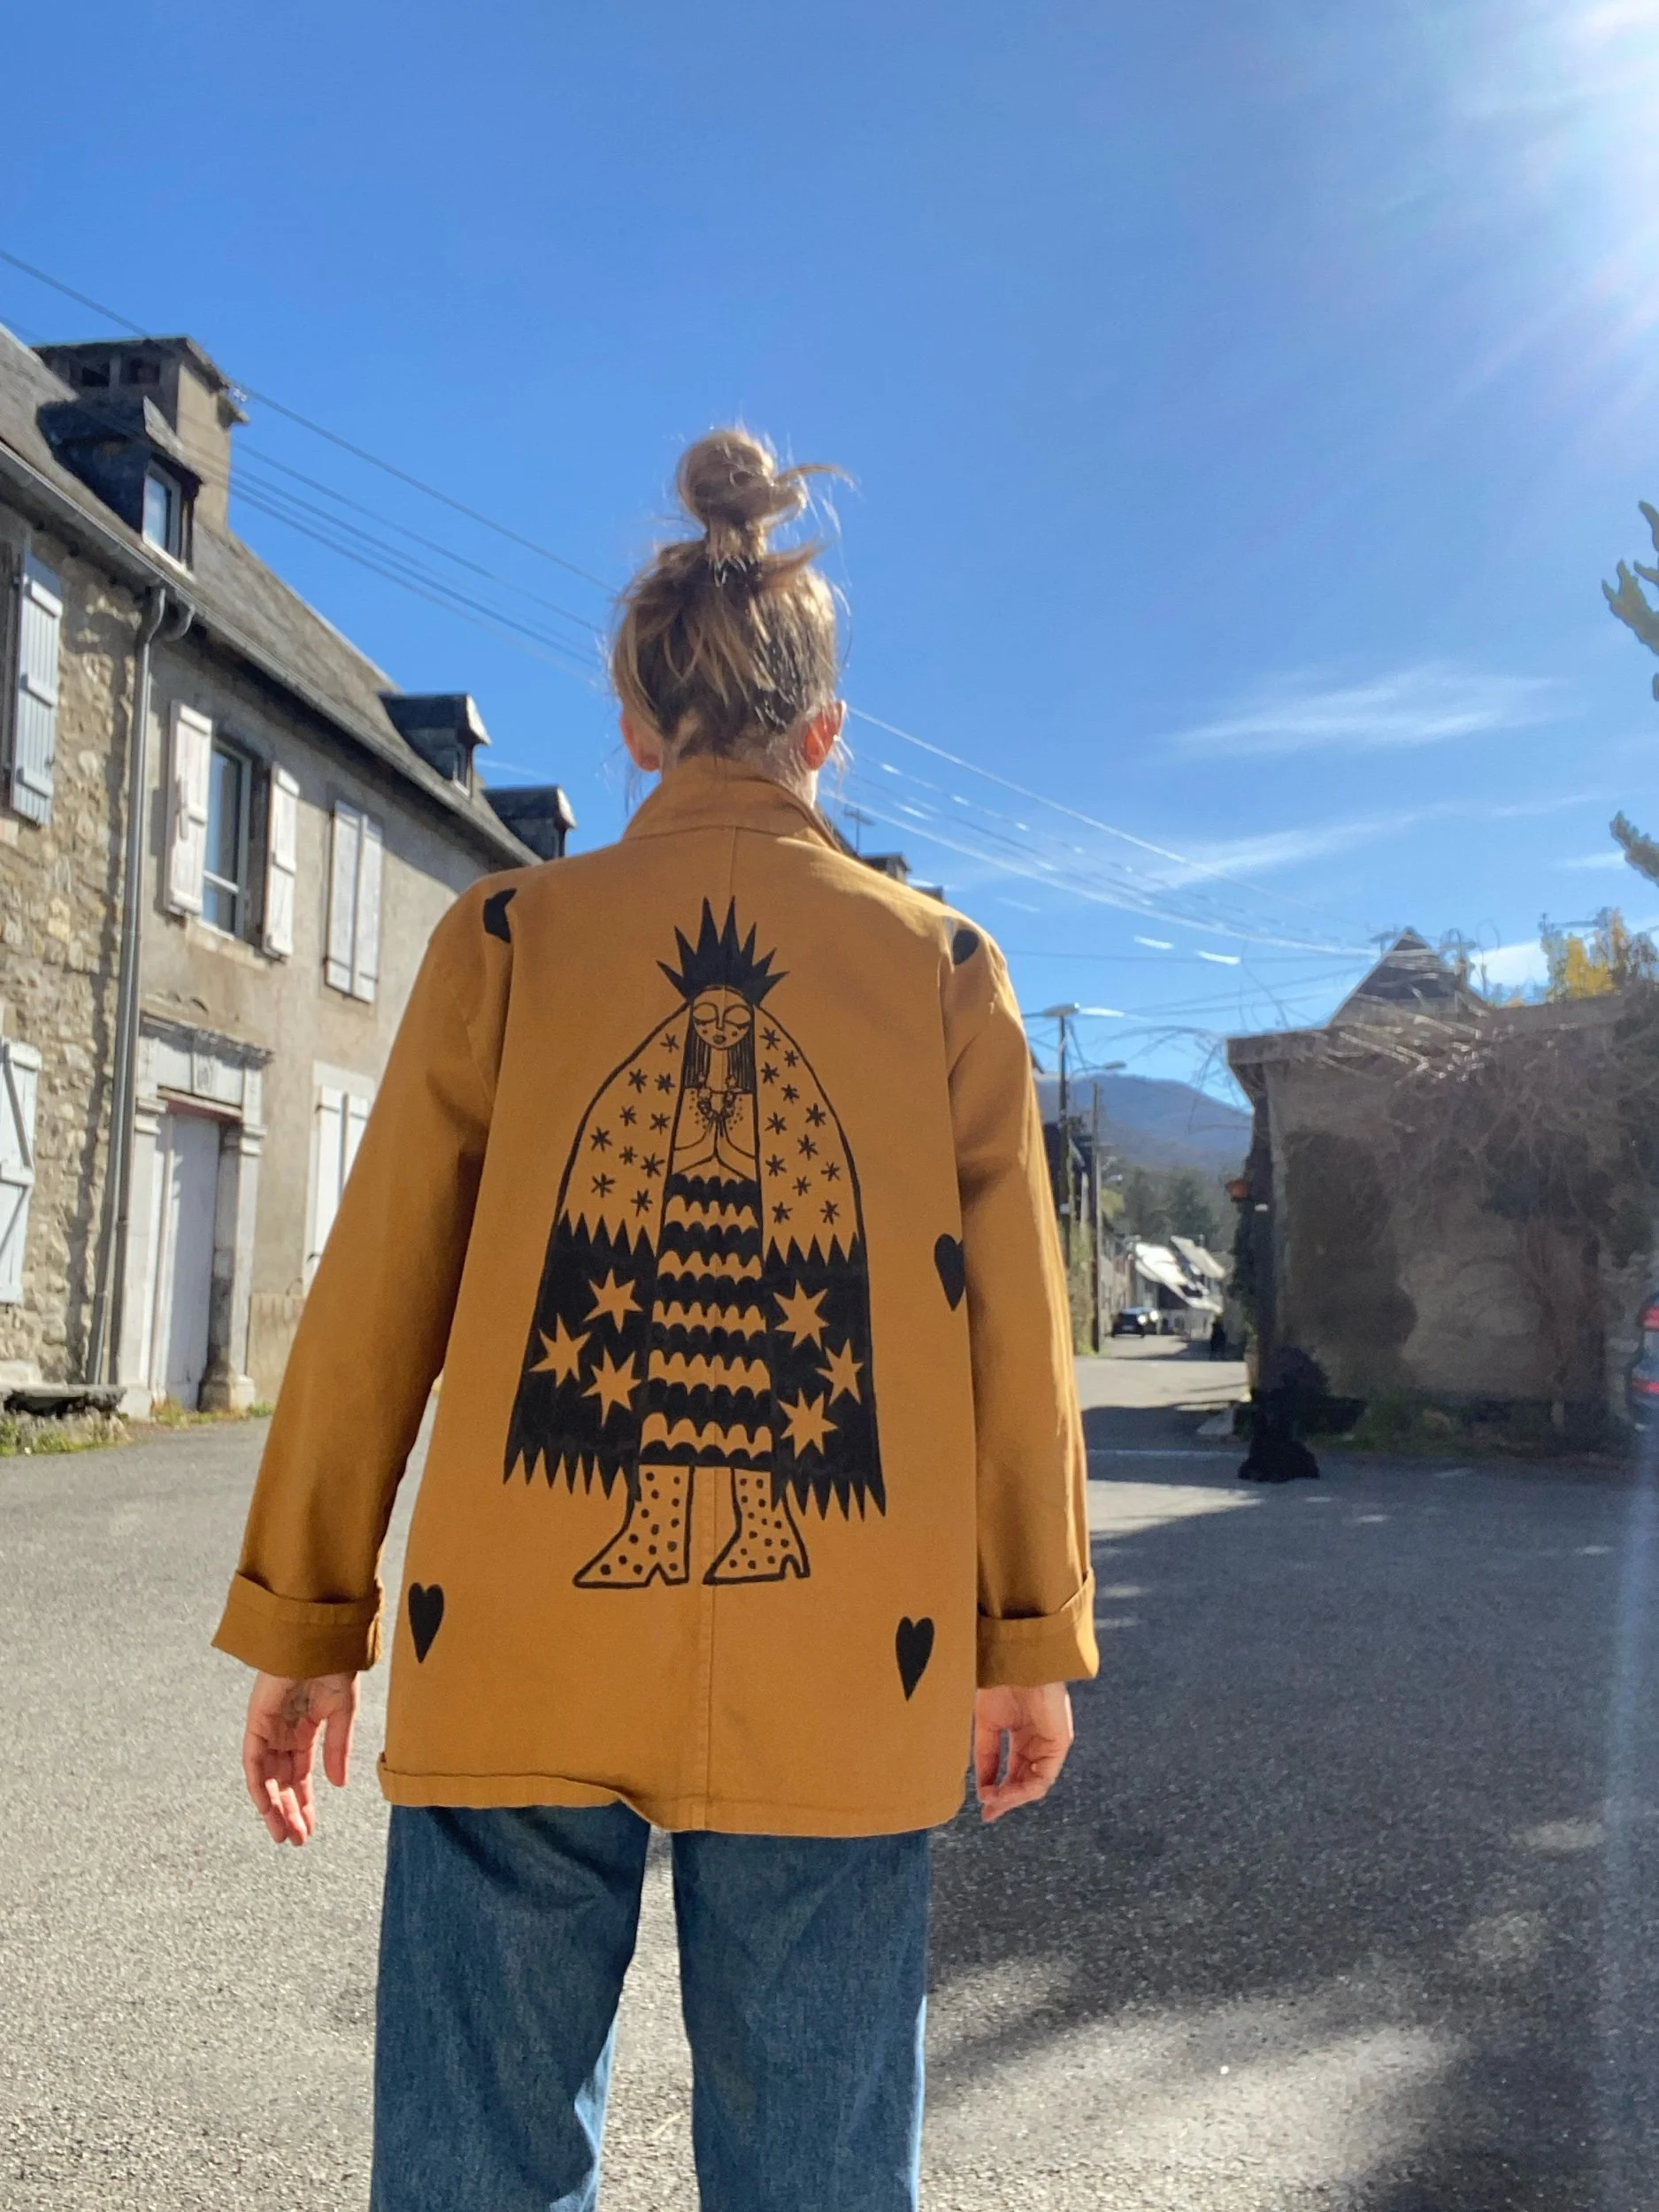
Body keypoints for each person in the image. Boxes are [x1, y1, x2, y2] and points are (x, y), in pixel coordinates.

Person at [213, 428, 1098, 2212]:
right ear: (824, 734)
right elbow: (1014, 1336)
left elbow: (374, 1297)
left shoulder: (506, 937)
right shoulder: (942, 970)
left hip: (515, 1628)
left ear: (632, 723)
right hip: (853, 1655)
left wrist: (307, 1615)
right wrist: (1025, 1634)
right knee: (820, 2175)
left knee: (475, 2164)